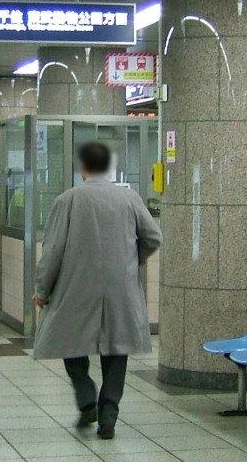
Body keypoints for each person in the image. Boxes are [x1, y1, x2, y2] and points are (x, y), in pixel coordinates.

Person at [32, 142, 162, 440]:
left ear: (82, 167)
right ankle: (108, 414)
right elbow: (153, 237)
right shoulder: (129, 198)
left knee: (70, 342)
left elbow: (52, 252)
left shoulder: (68, 200)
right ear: (110, 166)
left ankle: (87, 396)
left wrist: (42, 290)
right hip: (121, 288)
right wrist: (131, 259)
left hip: (76, 285)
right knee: (118, 349)